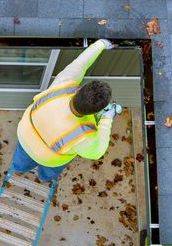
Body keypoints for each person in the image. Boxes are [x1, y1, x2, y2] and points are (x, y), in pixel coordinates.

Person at [13, 39, 119, 183]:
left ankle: (19, 171)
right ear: (96, 112)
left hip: (25, 135)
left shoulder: (63, 85)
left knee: (21, 158)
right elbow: (97, 151)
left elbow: (80, 64)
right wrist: (107, 119)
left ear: (79, 89)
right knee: (51, 170)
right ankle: (44, 178)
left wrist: (100, 45)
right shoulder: (83, 135)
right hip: (50, 158)